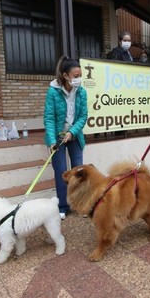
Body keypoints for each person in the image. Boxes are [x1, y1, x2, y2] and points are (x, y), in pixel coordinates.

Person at [43, 56, 88, 220]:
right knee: (61, 172)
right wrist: (52, 140)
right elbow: (48, 118)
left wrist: (72, 132)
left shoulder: (81, 92)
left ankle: (81, 204)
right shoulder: (53, 91)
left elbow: (83, 116)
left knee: (79, 172)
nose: (79, 79)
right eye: (76, 76)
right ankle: (63, 206)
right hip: (57, 138)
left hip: (74, 136)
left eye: (80, 75)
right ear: (65, 75)